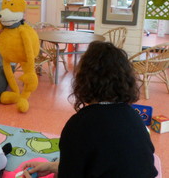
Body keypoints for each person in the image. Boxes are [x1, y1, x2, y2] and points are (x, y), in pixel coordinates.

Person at [22, 41, 158, 178]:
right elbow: (117, 163)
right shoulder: (134, 117)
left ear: (83, 80)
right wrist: (53, 166)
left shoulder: (79, 125)